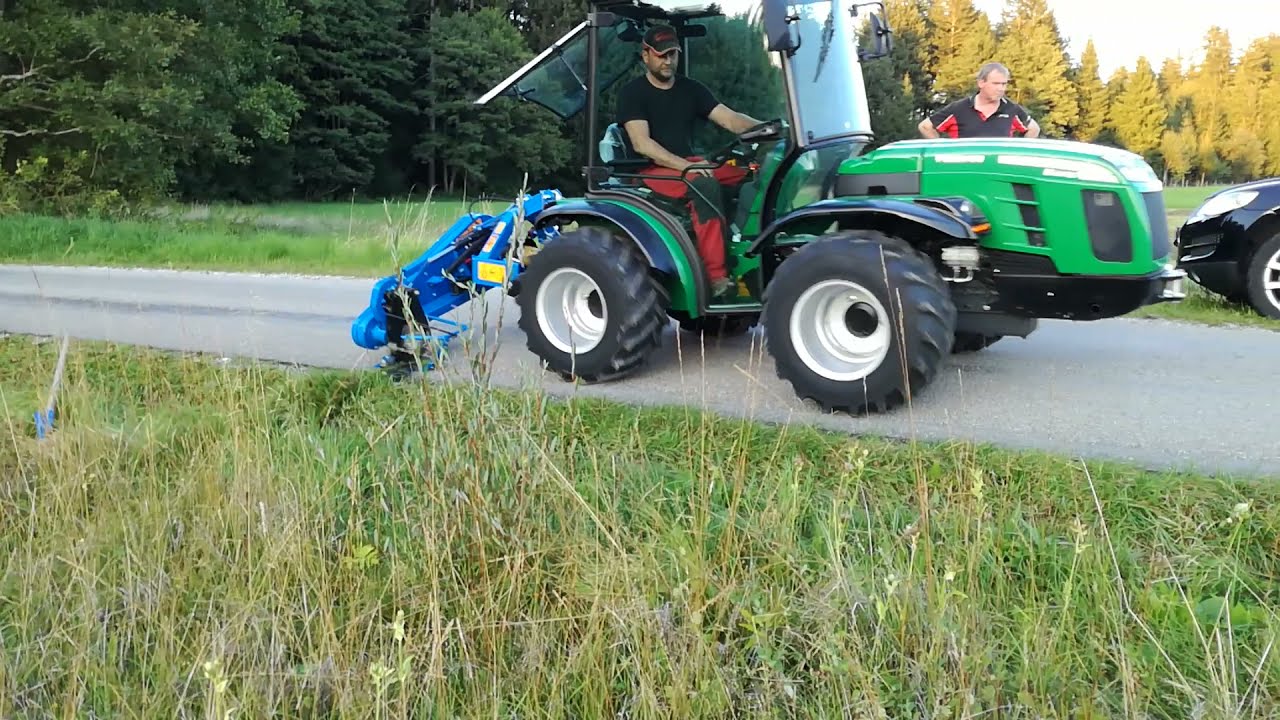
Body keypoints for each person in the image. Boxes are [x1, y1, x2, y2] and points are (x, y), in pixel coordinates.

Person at [615, 24, 764, 299]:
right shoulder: (632, 93)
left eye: (673, 54)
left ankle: (747, 247)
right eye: (661, 54)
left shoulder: (691, 89)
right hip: (654, 171)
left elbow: (730, 119)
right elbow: (642, 144)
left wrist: (771, 129)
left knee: (748, 172)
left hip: (690, 165)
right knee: (704, 186)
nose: (668, 60)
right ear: (645, 55)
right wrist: (688, 167)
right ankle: (717, 276)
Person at [918, 62, 1041, 139]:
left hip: (998, 173)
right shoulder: (959, 108)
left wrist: (1016, 154)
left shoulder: (1012, 109)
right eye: (996, 84)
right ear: (981, 83)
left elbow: (1034, 129)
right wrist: (943, 152)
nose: (1001, 89)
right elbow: (925, 127)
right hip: (965, 172)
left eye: (1004, 84)